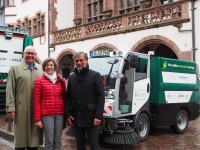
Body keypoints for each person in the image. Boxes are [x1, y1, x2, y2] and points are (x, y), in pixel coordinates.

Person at [6, 46, 43, 150]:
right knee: (20, 139)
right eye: (28, 53)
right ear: (23, 54)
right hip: (20, 108)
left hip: (36, 110)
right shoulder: (15, 68)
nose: (30, 55)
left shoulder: (41, 68)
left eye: (32, 53)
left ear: (36, 55)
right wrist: (10, 108)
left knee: (34, 140)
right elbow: (10, 90)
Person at [65, 51, 105, 150]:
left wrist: (98, 116)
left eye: (81, 60)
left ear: (86, 61)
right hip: (76, 118)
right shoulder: (72, 77)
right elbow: (68, 97)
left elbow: (100, 97)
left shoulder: (95, 75)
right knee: (79, 145)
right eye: (76, 61)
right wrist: (68, 114)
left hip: (92, 117)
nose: (79, 63)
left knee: (94, 144)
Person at [34, 58, 66, 150]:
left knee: (58, 140)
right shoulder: (39, 81)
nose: (49, 67)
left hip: (59, 114)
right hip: (47, 115)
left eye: (51, 65)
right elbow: (36, 101)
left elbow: (64, 97)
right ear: (44, 67)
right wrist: (37, 119)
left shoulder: (61, 81)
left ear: (55, 67)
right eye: (47, 65)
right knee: (49, 141)